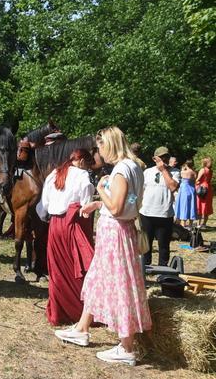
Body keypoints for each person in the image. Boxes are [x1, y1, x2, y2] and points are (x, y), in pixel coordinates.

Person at [55, 126, 150, 366]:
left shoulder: (120, 170)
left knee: (119, 285)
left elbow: (118, 208)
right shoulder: (134, 167)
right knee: (98, 279)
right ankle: (81, 328)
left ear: (110, 144)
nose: (99, 153)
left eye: (100, 147)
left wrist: (99, 190)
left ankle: (126, 347)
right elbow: (128, 203)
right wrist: (99, 205)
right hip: (121, 230)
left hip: (115, 234)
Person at [36, 149, 95, 326]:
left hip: (54, 225)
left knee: (57, 270)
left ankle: (58, 312)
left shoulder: (54, 173)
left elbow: (43, 206)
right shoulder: (83, 175)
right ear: (83, 161)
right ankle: (77, 310)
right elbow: (86, 204)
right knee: (76, 267)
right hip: (72, 223)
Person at [138, 146, 180, 266]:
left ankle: (163, 270)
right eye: (161, 157)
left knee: (164, 246)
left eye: (166, 156)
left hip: (165, 214)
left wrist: (164, 171)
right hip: (146, 213)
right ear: (154, 158)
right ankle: (145, 268)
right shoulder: (147, 172)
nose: (164, 159)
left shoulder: (175, 172)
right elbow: (140, 191)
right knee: (146, 245)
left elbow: (173, 187)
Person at [175, 159, 197, 228]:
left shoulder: (183, 172)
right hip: (192, 190)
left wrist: (184, 168)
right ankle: (190, 224)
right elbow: (195, 180)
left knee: (183, 205)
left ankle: (183, 224)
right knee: (191, 206)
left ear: (186, 164)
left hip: (184, 190)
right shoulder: (194, 172)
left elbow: (181, 176)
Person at [196, 157, 213, 228]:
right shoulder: (210, 170)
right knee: (207, 206)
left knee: (200, 205)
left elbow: (198, 179)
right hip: (208, 188)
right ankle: (204, 223)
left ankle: (199, 223)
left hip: (202, 188)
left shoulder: (203, 170)